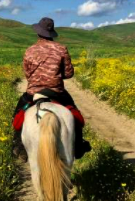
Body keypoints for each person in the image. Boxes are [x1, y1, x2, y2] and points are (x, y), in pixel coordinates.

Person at [13, 17, 91, 160]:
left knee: (18, 113)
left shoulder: (30, 50)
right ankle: (78, 145)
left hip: (33, 92)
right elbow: (68, 73)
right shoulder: (61, 49)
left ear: (38, 33)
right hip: (57, 92)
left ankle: (19, 146)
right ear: (52, 33)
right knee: (75, 114)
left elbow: (27, 73)